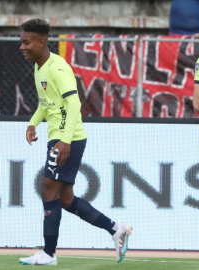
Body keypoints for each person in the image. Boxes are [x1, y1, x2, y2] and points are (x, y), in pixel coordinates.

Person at [18, 19, 132, 266]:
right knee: (66, 198)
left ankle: (49, 254)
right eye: (21, 42)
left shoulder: (57, 69)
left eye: (26, 42)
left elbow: (74, 104)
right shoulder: (39, 67)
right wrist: (32, 123)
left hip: (67, 138)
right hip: (58, 137)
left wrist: (65, 141)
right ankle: (115, 229)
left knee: (48, 188)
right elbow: (46, 103)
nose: (22, 47)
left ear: (41, 42)